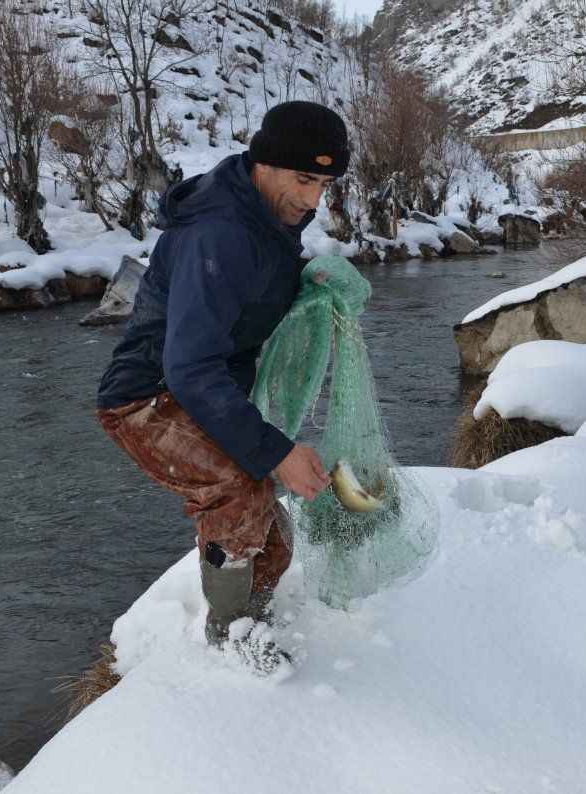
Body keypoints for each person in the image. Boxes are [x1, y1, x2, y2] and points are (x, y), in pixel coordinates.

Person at [95, 101, 350, 659]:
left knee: (273, 540)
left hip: (201, 387)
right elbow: (189, 366)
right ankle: (230, 639)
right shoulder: (220, 232)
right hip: (145, 396)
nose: (312, 199)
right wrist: (277, 451)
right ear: (264, 163)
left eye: (324, 184)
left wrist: (312, 289)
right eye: (304, 179)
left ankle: (252, 616)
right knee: (238, 492)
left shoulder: (266, 217)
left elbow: (253, 299)